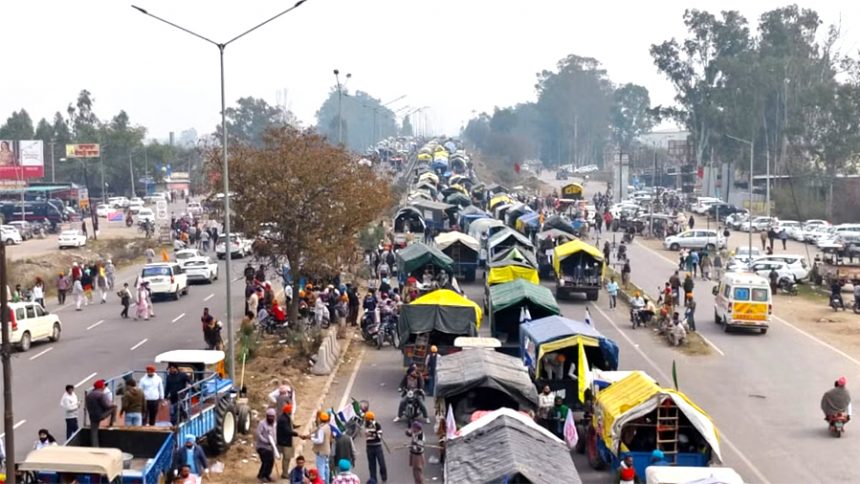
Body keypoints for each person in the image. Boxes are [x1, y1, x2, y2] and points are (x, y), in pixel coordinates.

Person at [85, 379, 116, 447]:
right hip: (100, 415)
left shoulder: (89, 395)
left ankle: (95, 446)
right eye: (103, 385)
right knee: (114, 407)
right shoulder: (101, 394)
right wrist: (112, 404)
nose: (104, 386)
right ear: (101, 387)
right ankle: (112, 423)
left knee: (94, 432)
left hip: (92, 416)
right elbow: (107, 406)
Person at [277, 404, 301, 480]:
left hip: (286, 440)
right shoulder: (283, 419)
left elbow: (289, 425)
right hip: (285, 442)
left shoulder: (286, 417)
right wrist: (296, 434)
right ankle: (285, 473)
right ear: (288, 411)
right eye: (290, 410)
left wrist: (294, 426)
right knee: (286, 458)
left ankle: (285, 472)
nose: (291, 411)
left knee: (287, 458)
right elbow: (287, 430)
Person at [256, 408, 279, 483]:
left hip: (271, 447)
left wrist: (274, 443)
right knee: (266, 460)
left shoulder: (274, 423)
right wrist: (266, 441)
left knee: (271, 461)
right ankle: (262, 476)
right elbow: (258, 434)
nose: (271, 418)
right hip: (262, 446)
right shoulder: (262, 423)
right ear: (266, 416)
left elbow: (275, 434)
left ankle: (266, 475)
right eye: (269, 416)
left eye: (272, 416)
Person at [364, 410, 387, 484]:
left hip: (377, 447)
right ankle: (373, 480)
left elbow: (379, 436)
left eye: (366, 418)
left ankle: (384, 477)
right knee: (371, 465)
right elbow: (368, 435)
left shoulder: (377, 425)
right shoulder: (366, 425)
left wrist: (373, 433)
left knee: (382, 463)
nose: (365, 420)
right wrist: (374, 433)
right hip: (369, 447)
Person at [310, 411, 333, 484]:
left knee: (321, 469)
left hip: (320, 451)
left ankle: (322, 482)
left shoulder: (321, 429)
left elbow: (319, 440)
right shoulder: (328, 426)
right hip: (327, 450)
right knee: (326, 467)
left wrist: (311, 439)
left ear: (320, 419)